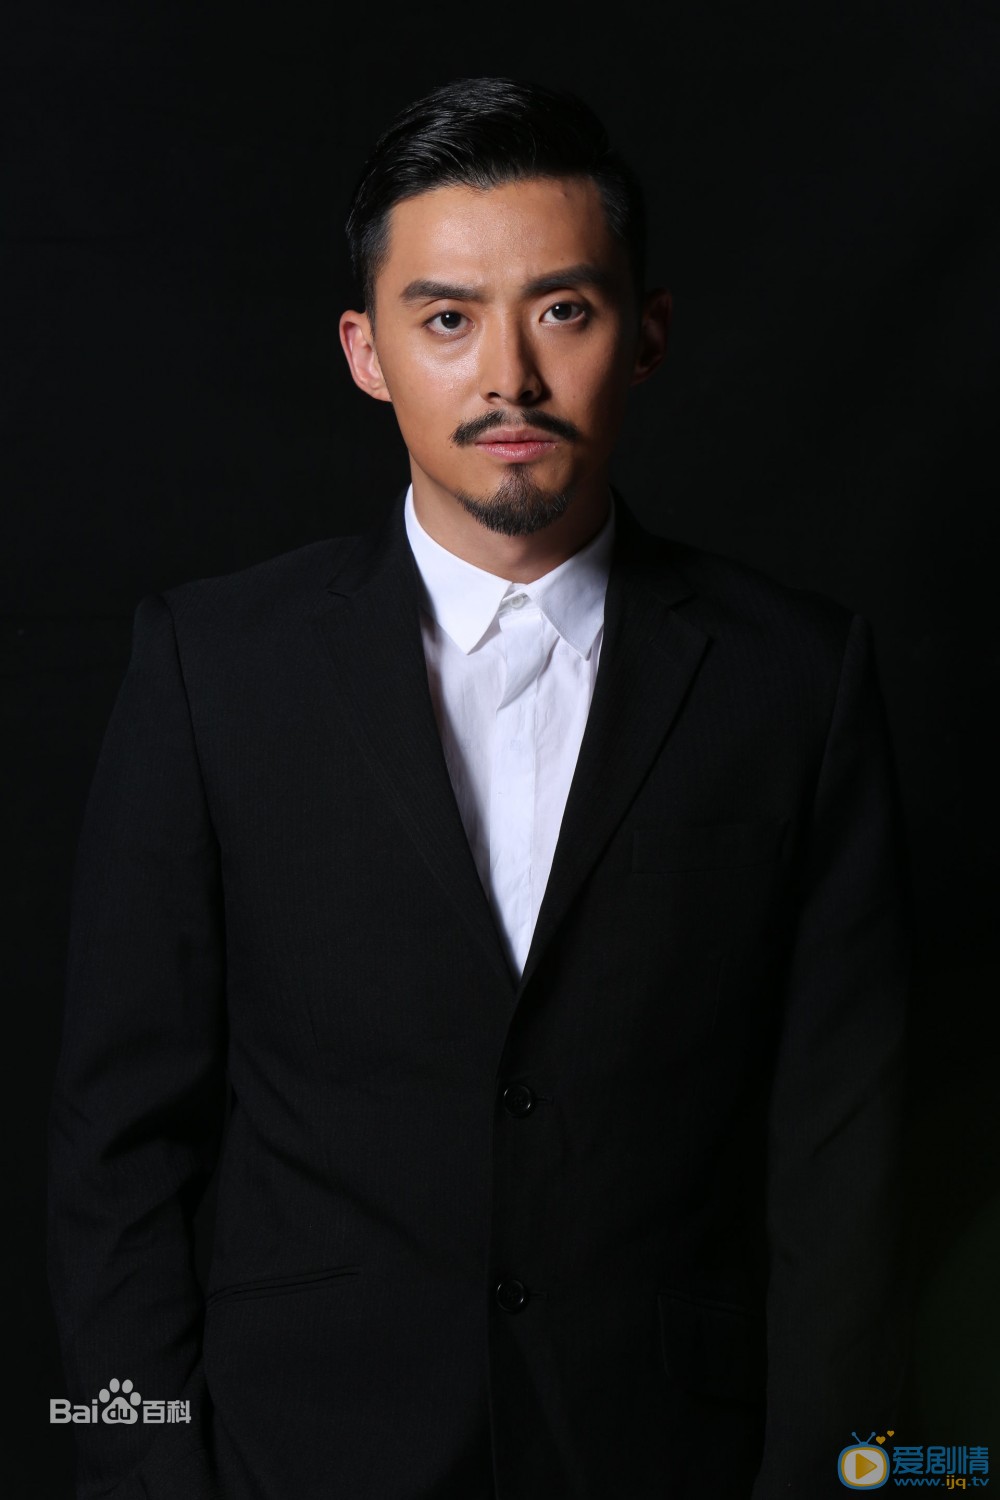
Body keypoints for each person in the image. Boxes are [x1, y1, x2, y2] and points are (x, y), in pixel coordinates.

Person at [47, 76, 910, 1500]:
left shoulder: (797, 681)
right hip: (293, 1461)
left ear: (647, 334)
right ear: (368, 352)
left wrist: (840, 1486)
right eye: (447, 319)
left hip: (664, 1461)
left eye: (562, 310)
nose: (509, 375)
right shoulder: (210, 667)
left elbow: (844, 1157)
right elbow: (115, 1150)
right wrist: (136, 1477)